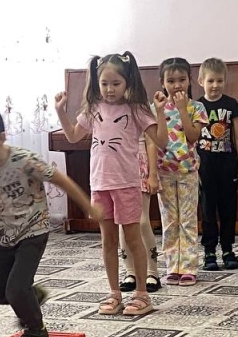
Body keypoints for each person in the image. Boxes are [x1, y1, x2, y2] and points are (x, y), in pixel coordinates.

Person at [0, 102, 102, 337]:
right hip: (2, 236)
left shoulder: (24, 161)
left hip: (33, 230)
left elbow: (61, 180)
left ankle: (36, 330)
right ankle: (32, 296)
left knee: (16, 288)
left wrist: (88, 206)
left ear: (0, 138)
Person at [55, 53, 163, 316]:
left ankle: (142, 294)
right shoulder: (93, 109)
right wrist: (60, 111)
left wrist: (160, 112)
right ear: (97, 83)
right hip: (100, 185)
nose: (110, 89)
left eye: (116, 83)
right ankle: (114, 292)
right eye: (105, 83)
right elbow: (71, 136)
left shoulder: (136, 109)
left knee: (133, 237)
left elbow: (162, 142)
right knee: (107, 241)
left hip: (126, 184)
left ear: (127, 83)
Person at [154, 57, 208, 285]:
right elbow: (154, 139)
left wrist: (182, 109)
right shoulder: (156, 108)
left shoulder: (197, 107)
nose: (177, 85)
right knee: (169, 221)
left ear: (190, 81)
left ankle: (188, 267)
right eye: (171, 80)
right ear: (162, 83)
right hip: (164, 172)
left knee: (187, 220)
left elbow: (193, 136)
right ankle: (171, 266)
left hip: (187, 172)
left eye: (182, 80)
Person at [197, 58, 238, 270]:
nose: (215, 85)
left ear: (225, 81)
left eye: (219, 80)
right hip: (205, 165)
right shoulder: (197, 106)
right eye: (211, 81)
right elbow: (190, 137)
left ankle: (227, 249)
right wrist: (195, 166)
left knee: (228, 209)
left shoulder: (231, 104)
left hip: (227, 164)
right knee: (208, 210)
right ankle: (209, 252)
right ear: (201, 81)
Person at [118, 133, 161, 292]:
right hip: (120, 166)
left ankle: (153, 272)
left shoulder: (142, 109)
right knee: (122, 222)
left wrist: (153, 174)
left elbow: (151, 142)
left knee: (142, 221)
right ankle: (130, 272)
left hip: (140, 164)